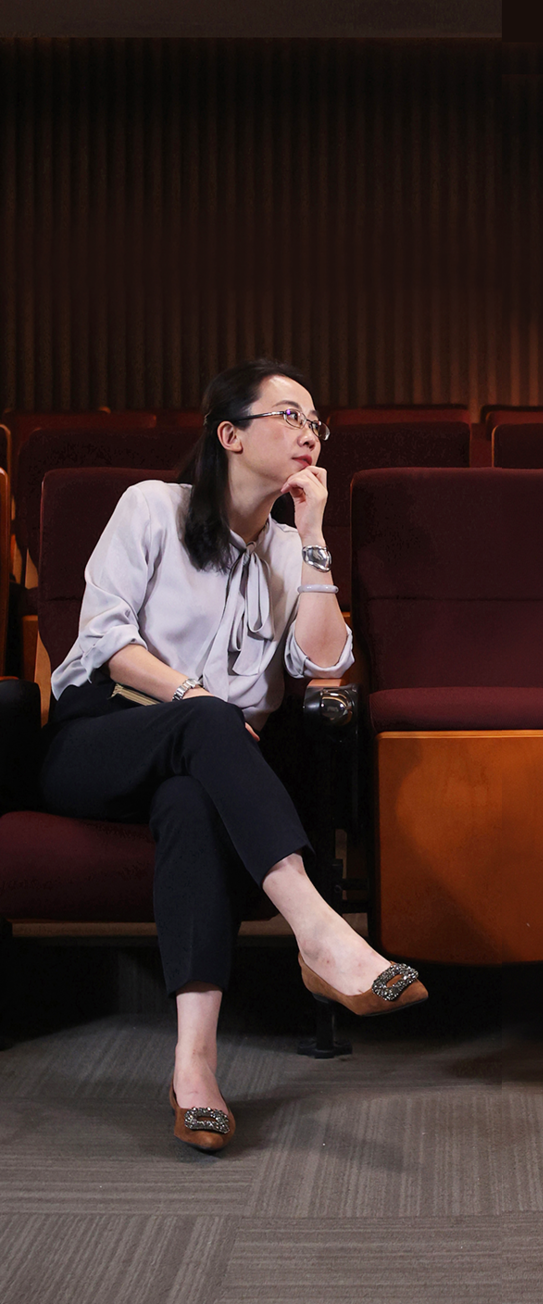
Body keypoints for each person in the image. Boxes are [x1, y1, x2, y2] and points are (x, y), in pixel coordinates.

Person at [41, 359, 427, 1152]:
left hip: (201, 767)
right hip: (101, 738)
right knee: (206, 718)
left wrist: (313, 538)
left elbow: (325, 663)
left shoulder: (287, 549)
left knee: (191, 800)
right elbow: (107, 642)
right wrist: (196, 700)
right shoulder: (152, 508)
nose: (308, 433)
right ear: (230, 435)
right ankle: (319, 932)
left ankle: (194, 1069)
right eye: (289, 415)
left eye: (315, 421)